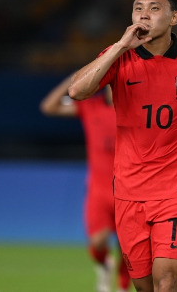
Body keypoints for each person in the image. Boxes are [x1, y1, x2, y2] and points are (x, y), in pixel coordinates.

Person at [68, 0, 177, 292]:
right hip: (129, 191)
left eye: (154, 9)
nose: (144, 15)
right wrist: (119, 47)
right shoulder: (119, 57)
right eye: (138, 9)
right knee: (145, 287)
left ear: (174, 17)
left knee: (167, 283)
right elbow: (77, 90)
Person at [40, 76, 131, 292]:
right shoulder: (90, 107)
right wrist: (72, 80)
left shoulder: (135, 111)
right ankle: (104, 265)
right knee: (98, 242)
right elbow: (48, 107)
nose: (114, 89)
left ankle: (122, 286)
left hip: (127, 191)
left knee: (128, 249)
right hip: (99, 191)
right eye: (111, 84)